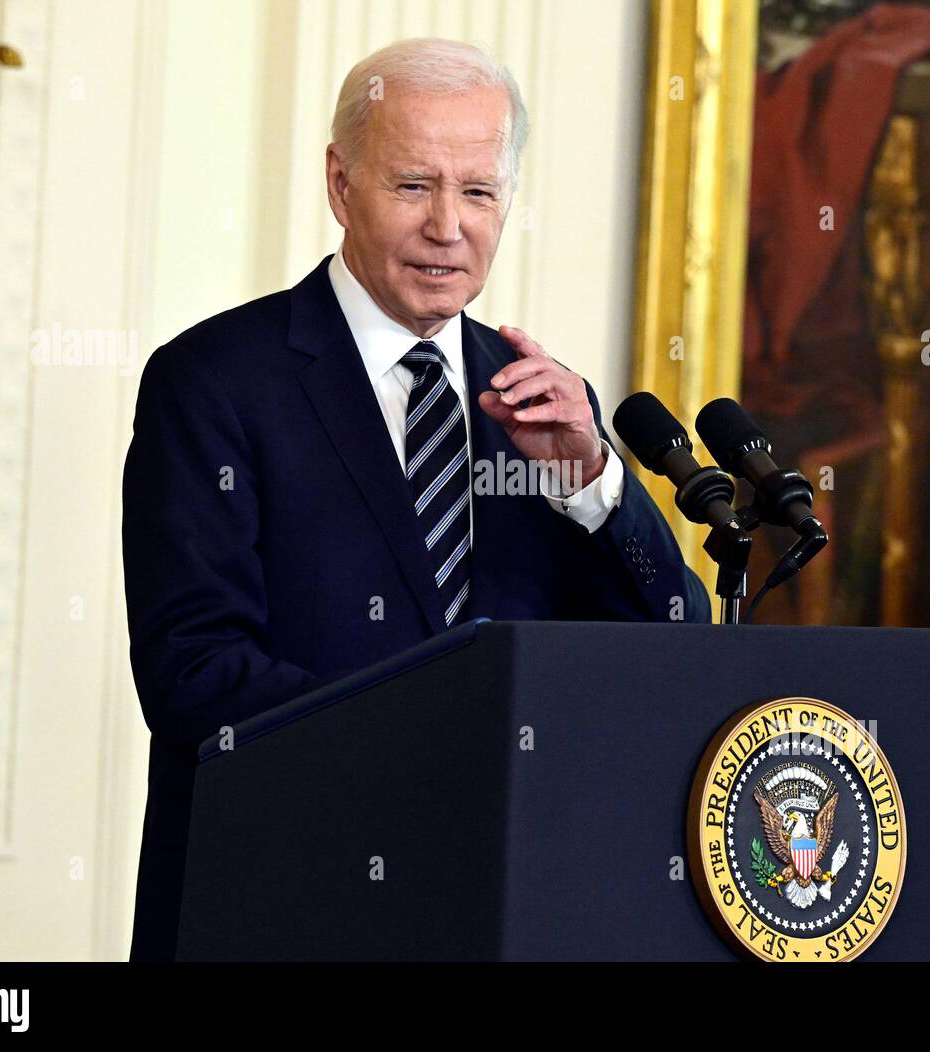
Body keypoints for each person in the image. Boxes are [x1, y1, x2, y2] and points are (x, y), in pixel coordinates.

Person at [121, 37, 710, 961]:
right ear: (339, 182)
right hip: (282, 911)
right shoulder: (213, 382)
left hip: (500, 919)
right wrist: (444, 756)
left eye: (477, 192)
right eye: (412, 186)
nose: (448, 226)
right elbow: (193, 672)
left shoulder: (545, 403)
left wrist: (594, 483)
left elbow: (674, 643)